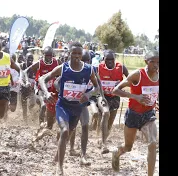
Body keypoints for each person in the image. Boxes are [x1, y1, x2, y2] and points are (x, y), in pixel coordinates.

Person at [39, 42, 101, 175]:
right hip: (63, 106)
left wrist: (88, 94)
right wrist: (47, 93)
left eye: (79, 53)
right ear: (69, 54)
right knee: (65, 131)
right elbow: (42, 79)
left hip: (77, 108)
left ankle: (57, 156)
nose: (77, 56)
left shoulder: (89, 69)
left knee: (68, 134)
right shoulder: (63, 68)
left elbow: (97, 88)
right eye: (74, 53)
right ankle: (60, 168)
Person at [111, 51, 159, 176]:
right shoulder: (138, 74)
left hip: (149, 114)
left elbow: (154, 91)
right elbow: (115, 90)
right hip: (133, 114)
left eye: (158, 62)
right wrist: (135, 96)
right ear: (146, 62)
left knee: (153, 143)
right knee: (128, 147)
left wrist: (156, 100)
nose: (156, 65)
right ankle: (116, 153)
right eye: (152, 61)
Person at [96, 49, 129, 154]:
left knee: (110, 123)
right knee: (105, 114)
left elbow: (130, 79)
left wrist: (123, 86)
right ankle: (104, 144)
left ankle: (101, 139)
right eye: (107, 59)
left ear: (115, 59)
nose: (110, 62)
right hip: (103, 96)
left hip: (115, 97)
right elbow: (94, 81)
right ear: (103, 59)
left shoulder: (121, 68)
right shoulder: (99, 68)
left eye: (112, 59)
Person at [23, 46, 59, 126]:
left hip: (52, 89)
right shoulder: (39, 63)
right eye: (47, 55)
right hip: (41, 89)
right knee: (43, 106)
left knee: (54, 109)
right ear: (43, 55)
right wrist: (26, 81)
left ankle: (49, 124)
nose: (49, 57)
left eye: (50, 55)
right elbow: (25, 71)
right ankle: (40, 125)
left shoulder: (56, 62)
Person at [20, 53, 36, 122]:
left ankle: (31, 110)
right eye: (28, 58)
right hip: (23, 88)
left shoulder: (34, 67)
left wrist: (33, 84)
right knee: (24, 106)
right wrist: (24, 84)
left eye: (31, 58)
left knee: (32, 103)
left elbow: (37, 78)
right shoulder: (22, 65)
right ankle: (25, 120)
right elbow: (20, 78)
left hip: (31, 89)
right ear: (25, 58)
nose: (30, 60)